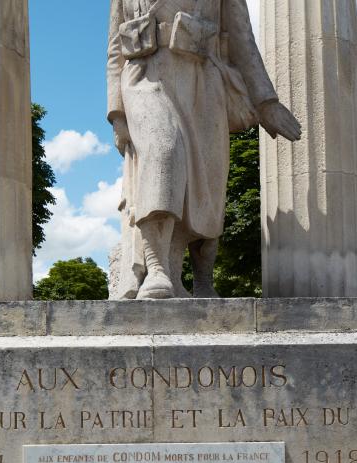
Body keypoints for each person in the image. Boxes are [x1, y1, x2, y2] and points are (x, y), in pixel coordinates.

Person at [108, 0, 302, 300]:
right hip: (144, 79)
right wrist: (117, 114)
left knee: (206, 185)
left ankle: (199, 278)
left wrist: (267, 103)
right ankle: (156, 268)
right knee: (163, 154)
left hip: (203, 81)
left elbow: (242, 38)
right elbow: (114, 51)